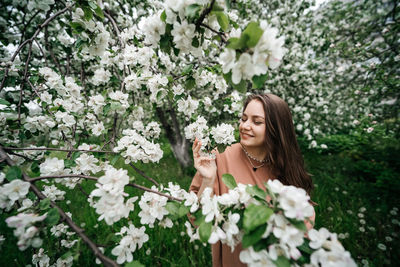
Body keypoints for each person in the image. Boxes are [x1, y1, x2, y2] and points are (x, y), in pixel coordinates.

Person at [189, 93, 315, 267]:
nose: (245, 126)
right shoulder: (220, 156)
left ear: (275, 128)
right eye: (243, 118)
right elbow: (197, 221)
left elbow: (305, 223)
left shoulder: (286, 165)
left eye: (256, 122)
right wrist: (208, 179)